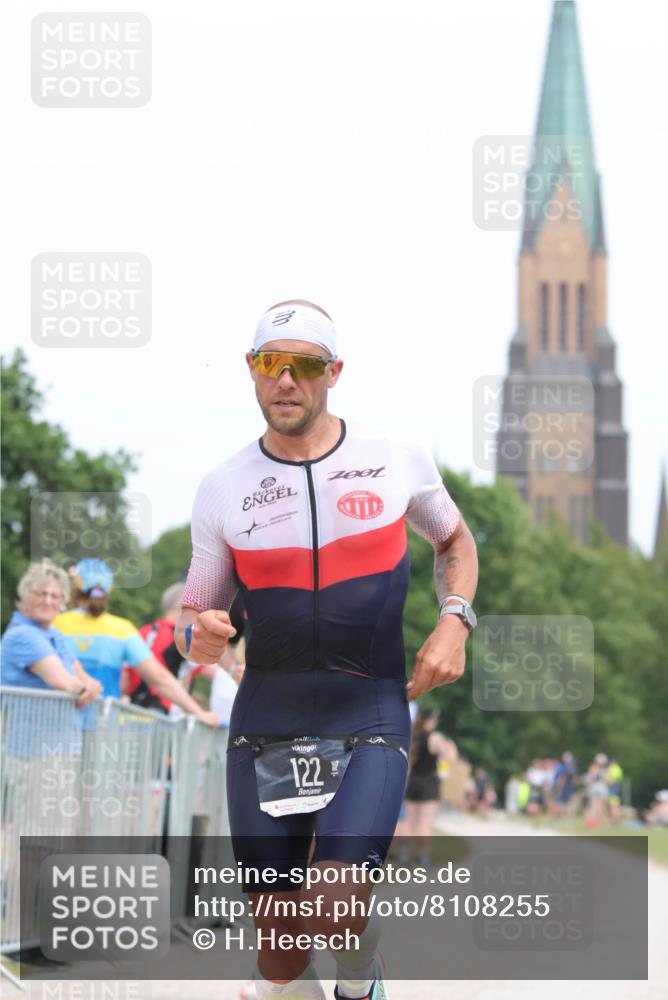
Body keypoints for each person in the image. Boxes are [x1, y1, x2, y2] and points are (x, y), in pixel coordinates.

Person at [176, 300, 479, 1000]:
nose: (286, 380)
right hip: (265, 719)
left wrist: (454, 619)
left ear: (334, 372)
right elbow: (196, 618)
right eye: (268, 364)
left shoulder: (394, 456)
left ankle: (360, 975)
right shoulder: (222, 487)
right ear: (250, 373)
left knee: (337, 908)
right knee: (279, 955)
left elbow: (454, 539)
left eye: (305, 365)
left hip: (367, 709)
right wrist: (203, 635)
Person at [54, 558, 218, 725]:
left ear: (74, 590)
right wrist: (200, 713)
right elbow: (159, 678)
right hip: (101, 726)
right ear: (108, 590)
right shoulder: (122, 629)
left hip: (53, 720)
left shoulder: (54, 624)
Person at [402, 707, 454, 868]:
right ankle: (422, 857)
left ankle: (403, 856)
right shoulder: (435, 737)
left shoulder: (413, 736)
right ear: (431, 720)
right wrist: (450, 747)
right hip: (429, 783)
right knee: (424, 822)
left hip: (413, 780)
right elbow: (449, 758)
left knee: (409, 821)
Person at [124, 582, 188, 713]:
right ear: (184, 608)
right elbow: (212, 669)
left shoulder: (142, 631)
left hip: (133, 706)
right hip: (163, 708)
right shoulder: (182, 637)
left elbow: (125, 673)